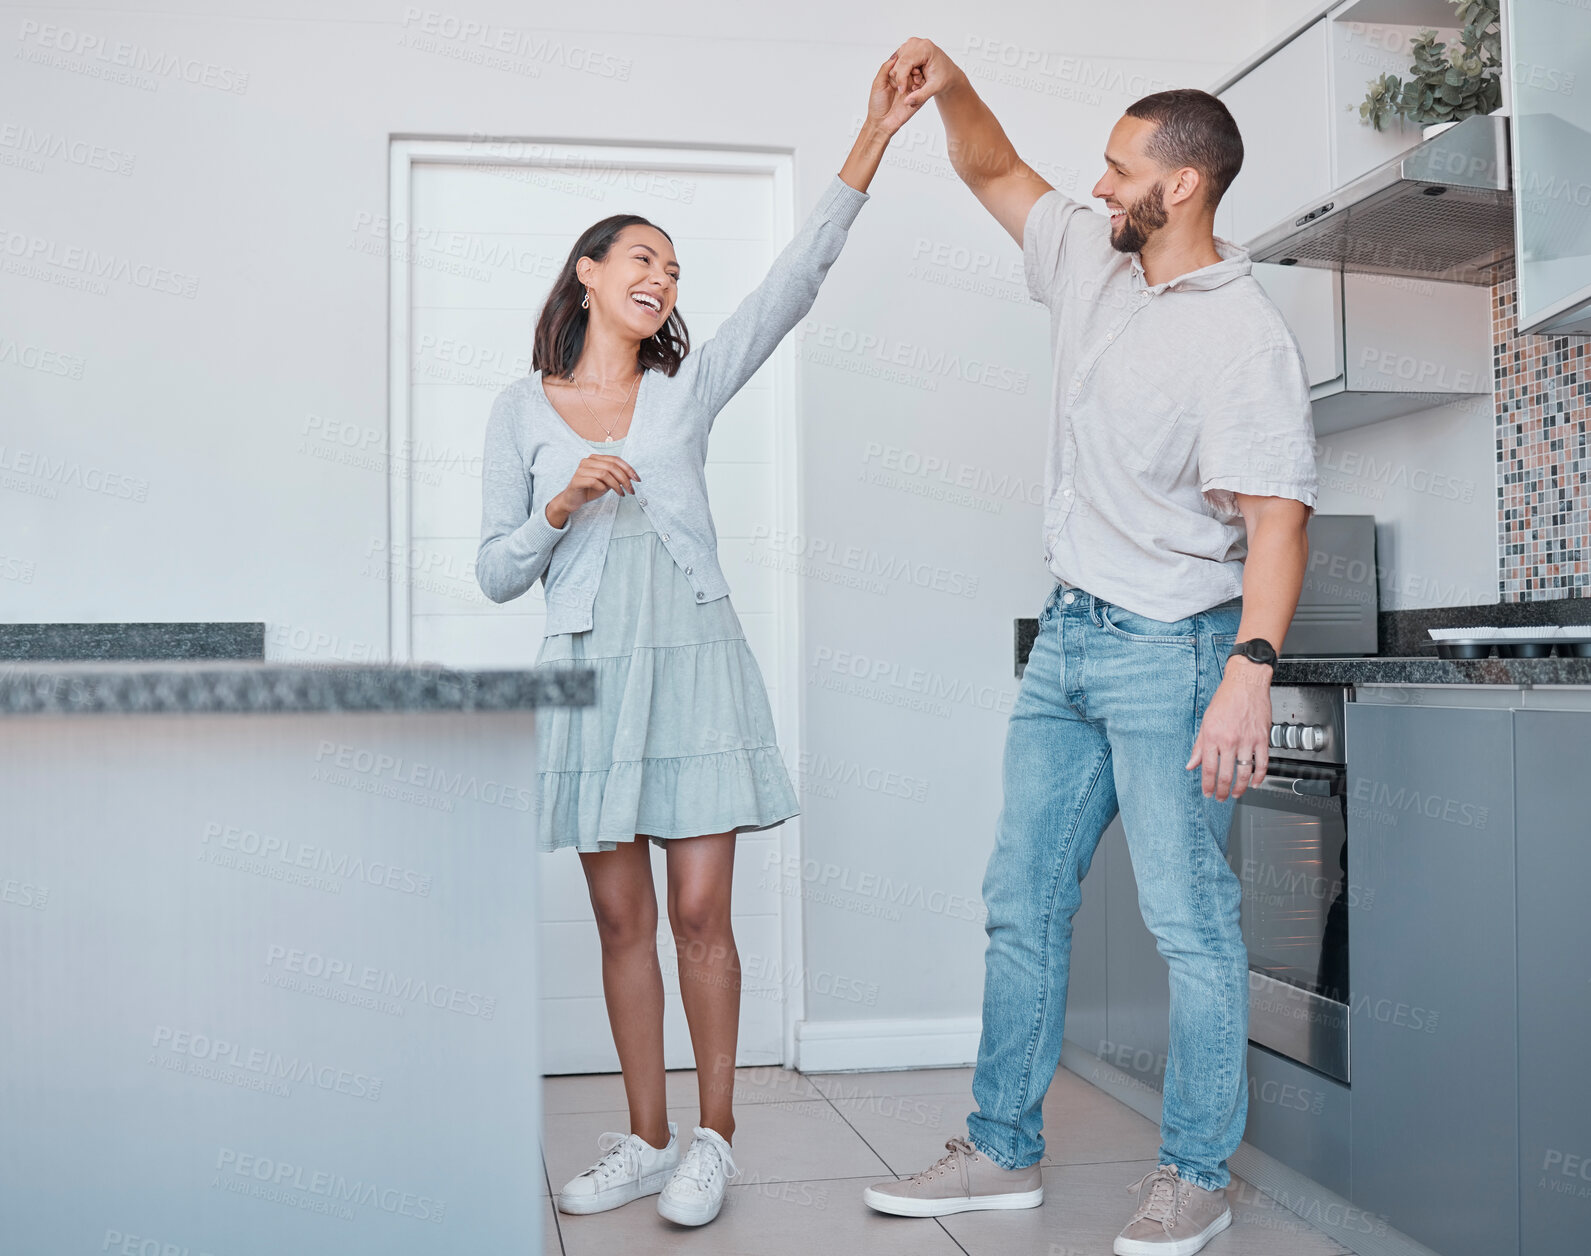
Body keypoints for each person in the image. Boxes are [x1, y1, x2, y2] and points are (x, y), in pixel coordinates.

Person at [859, 38, 1318, 1256]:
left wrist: (1246, 674)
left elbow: (1277, 524)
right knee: (1020, 899)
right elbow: (992, 167)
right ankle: (1000, 1148)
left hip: (1177, 649)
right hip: (1067, 641)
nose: (1097, 185)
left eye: (1120, 169)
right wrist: (948, 86)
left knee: (1189, 922)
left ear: (1183, 186)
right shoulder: (1091, 260)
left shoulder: (1244, 339)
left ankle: (1194, 1173)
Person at [475, 56, 919, 1230]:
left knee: (699, 918)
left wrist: (870, 134)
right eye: (642, 257)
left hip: (695, 662)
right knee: (620, 923)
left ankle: (713, 1136)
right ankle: (645, 1135)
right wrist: (559, 503)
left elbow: (796, 278)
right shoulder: (519, 411)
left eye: (673, 268)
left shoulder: (688, 389)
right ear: (587, 271)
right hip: (585, 675)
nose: (663, 278)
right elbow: (493, 571)